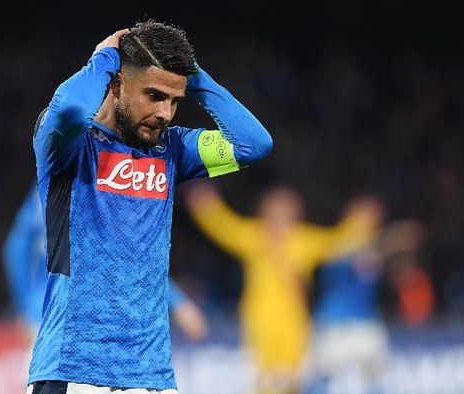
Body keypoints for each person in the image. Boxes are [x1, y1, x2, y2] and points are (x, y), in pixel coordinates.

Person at [29, 20, 273, 393]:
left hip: (152, 375)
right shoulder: (68, 148)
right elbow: (69, 111)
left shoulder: (172, 150)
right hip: (74, 370)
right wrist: (104, 57)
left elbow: (253, 144)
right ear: (116, 84)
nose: (166, 113)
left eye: (175, 100)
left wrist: (195, 78)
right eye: (155, 95)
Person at [184, 181, 380, 393]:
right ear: (264, 210)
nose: (279, 214)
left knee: (295, 381)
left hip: (295, 325)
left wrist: (361, 221)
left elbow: (336, 242)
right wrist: (205, 205)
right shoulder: (254, 236)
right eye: (275, 208)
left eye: (285, 209)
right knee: (264, 382)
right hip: (260, 324)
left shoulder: (302, 241)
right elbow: (224, 226)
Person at [3, 184, 209, 347]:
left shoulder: (47, 181)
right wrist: (178, 302)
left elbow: (16, 246)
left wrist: (26, 307)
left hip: (46, 314)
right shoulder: (104, 184)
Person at [308, 217, 430, 393]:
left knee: (377, 375)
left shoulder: (376, 256)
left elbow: (395, 273)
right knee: (321, 376)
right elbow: (364, 248)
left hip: (365, 323)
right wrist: (395, 236)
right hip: (335, 324)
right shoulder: (338, 249)